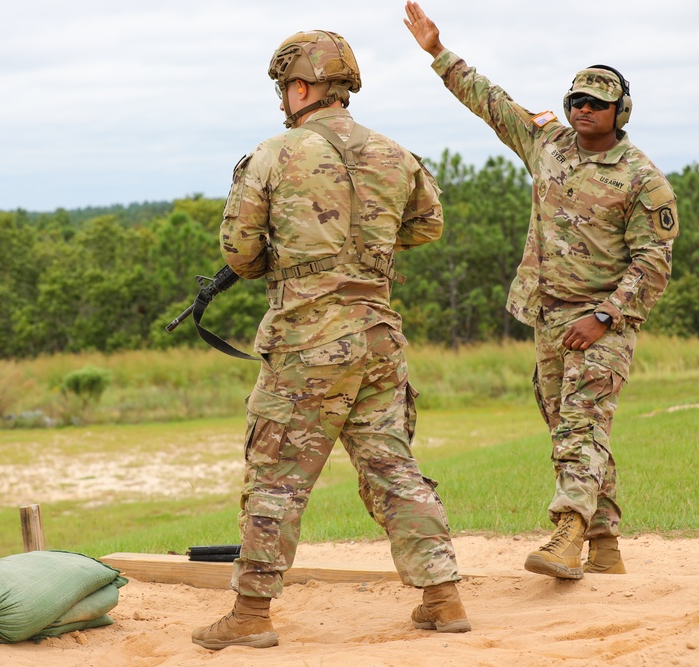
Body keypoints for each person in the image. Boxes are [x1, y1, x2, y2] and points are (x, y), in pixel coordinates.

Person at [191, 30, 471, 651]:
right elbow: (428, 225)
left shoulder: (273, 153)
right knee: (394, 467)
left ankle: (251, 615)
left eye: (284, 89)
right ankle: (443, 597)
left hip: (308, 345)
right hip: (377, 338)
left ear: (299, 87)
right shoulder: (395, 155)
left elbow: (239, 251)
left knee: (276, 477)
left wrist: (294, 263)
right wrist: (364, 251)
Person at [403, 2, 678, 580]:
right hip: (548, 317)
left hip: (602, 322)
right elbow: (492, 101)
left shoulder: (642, 178)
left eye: (597, 103)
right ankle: (605, 544)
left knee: (581, 426)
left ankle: (567, 536)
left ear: (620, 111)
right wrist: (437, 52)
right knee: (572, 430)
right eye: (576, 99)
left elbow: (653, 264)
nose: (583, 109)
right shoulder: (547, 144)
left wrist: (604, 317)